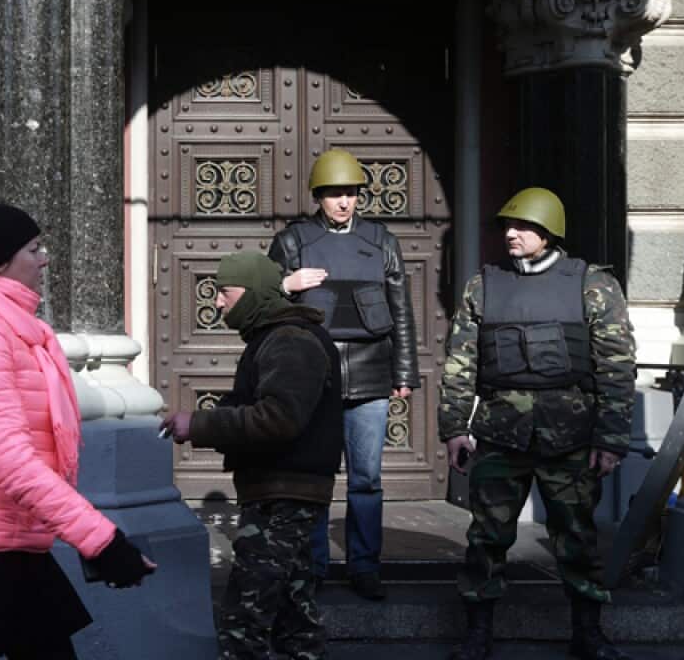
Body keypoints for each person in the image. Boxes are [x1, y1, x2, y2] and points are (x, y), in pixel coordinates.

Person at [0, 203, 155, 660]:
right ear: (0, 260)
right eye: (34, 248)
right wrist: (102, 540)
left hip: (7, 544)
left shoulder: (10, 326)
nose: (45, 259)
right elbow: (14, 462)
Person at [439, 188, 636, 660]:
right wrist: (453, 429)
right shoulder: (482, 286)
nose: (511, 234)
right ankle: (477, 634)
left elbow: (616, 364)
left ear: (548, 232)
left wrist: (611, 438)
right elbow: (459, 364)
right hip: (500, 435)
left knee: (577, 538)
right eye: (507, 226)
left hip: (570, 437)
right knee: (486, 539)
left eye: (522, 227)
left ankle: (588, 634)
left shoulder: (592, 285)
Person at [161, 252, 343, 660]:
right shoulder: (274, 338)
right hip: (279, 492)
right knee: (295, 620)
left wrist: (199, 425)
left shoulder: (291, 340)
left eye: (226, 292)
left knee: (244, 624)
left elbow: (278, 419)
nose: (219, 303)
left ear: (255, 291)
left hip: (285, 495)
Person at [267, 147, 419, 600]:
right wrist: (285, 284)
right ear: (318, 196)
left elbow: (401, 311)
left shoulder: (382, 241)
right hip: (315, 377)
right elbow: (258, 300)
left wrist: (405, 370)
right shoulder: (293, 241)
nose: (342, 202)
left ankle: (365, 566)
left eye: (350, 193)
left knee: (366, 479)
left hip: (371, 375)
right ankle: (313, 565)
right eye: (334, 193)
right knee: (315, 476)